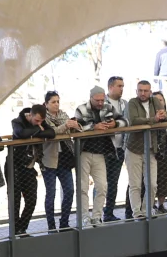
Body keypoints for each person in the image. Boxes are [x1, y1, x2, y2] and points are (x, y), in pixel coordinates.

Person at [73, 85, 124, 226]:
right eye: (97, 100)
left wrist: (115, 124)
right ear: (91, 98)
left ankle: (96, 216)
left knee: (102, 186)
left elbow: (124, 121)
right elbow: (75, 127)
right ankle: (84, 217)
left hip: (101, 153)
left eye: (102, 100)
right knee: (83, 187)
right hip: (84, 152)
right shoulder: (81, 109)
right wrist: (94, 127)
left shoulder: (108, 108)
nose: (100, 103)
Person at [124, 80, 167, 217]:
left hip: (151, 149)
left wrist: (162, 116)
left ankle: (146, 209)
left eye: (145, 90)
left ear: (150, 91)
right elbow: (134, 120)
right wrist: (154, 119)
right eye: (140, 90)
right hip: (134, 149)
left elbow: (163, 116)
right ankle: (137, 212)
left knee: (152, 184)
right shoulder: (132, 102)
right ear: (136, 91)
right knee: (135, 184)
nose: (143, 93)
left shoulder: (155, 101)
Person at [10, 105, 49, 233]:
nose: (39, 123)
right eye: (37, 120)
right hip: (15, 166)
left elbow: (51, 133)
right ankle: (15, 232)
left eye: (41, 121)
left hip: (29, 168)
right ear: (30, 115)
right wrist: (38, 129)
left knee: (31, 200)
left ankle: (21, 229)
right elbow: (20, 133)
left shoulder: (41, 121)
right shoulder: (17, 121)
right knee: (15, 201)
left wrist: (36, 129)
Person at [40, 91, 76, 230]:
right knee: (51, 193)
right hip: (49, 159)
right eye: (53, 102)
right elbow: (52, 132)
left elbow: (68, 130)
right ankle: (51, 226)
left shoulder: (63, 115)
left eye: (58, 101)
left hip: (64, 159)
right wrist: (66, 126)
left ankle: (64, 222)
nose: (56, 104)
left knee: (69, 190)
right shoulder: (43, 117)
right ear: (46, 104)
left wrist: (71, 126)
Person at [101, 76, 127, 221]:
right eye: (119, 86)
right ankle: (96, 214)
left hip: (120, 148)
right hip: (105, 148)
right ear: (110, 87)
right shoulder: (101, 102)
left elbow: (128, 121)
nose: (122, 88)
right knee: (101, 183)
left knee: (113, 182)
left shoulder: (125, 104)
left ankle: (108, 212)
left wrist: (117, 124)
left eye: (123, 86)